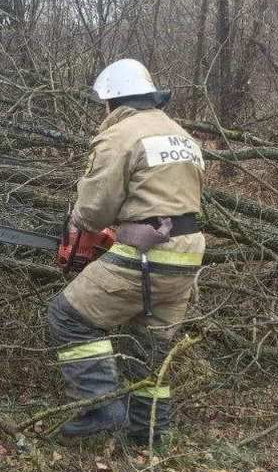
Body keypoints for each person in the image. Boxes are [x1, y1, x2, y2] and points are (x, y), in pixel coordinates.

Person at [46, 58, 206, 449]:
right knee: (149, 349)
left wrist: (80, 220)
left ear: (112, 102)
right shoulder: (182, 135)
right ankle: (147, 433)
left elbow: (95, 210)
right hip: (187, 255)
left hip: (148, 255)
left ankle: (101, 407)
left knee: (67, 317)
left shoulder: (121, 135)